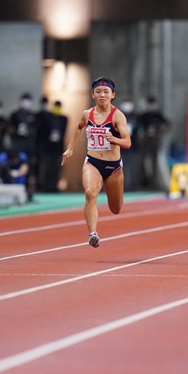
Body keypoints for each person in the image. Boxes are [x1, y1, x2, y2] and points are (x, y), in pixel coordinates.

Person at [62, 77, 132, 247]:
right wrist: (70, 148)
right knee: (89, 193)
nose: (102, 95)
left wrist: (114, 139)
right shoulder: (88, 114)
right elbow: (79, 126)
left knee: (115, 208)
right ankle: (93, 233)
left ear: (112, 95)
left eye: (106, 92)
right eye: (98, 92)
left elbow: (128, 142)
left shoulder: (118, 116)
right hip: (92, 162)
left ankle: (99, 223)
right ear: (93, 94)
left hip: (113, 167)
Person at [137, 96, 171, 190]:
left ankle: (155, 183)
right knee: (143, 162)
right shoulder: (144, 116)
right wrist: (142, 133)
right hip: (146, 141)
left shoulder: (158, 115)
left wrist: (160, 132)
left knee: (155, 162)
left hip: (155, 141)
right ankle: (143, 183)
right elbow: (138, 126)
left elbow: (167, 124)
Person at [36, 99, 68, 192]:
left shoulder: (63, 119)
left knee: (56, 168)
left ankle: (54, 186)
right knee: (47, 167)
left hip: (58, 148)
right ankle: (46, 186)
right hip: (48, 147)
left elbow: (63, 131)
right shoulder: (48, 118)